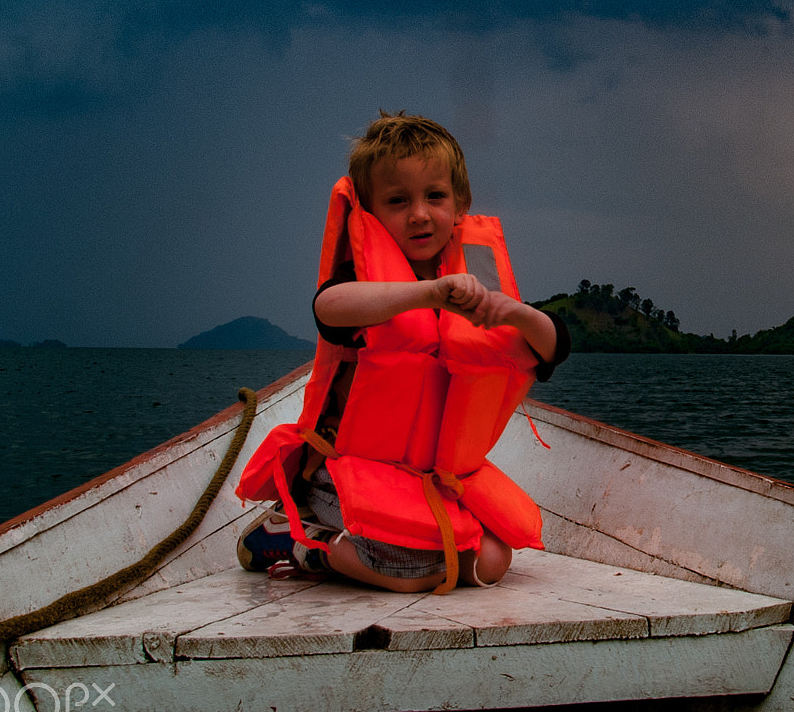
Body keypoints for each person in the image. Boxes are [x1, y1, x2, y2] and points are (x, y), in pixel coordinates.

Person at [233, 112, 569, 592]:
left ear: (460, 205)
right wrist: (427, 294)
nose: (419, 213)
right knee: (406, 573)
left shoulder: (477, 284)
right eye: (397, 201)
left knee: (491, 562)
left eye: (435, 196)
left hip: (429, 477)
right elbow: (328, 308)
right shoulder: (366, 289)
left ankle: (312, 536)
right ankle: (297, 540)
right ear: (368, 212)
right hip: (347, 473)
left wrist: (513, 313)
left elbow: (554, 344)